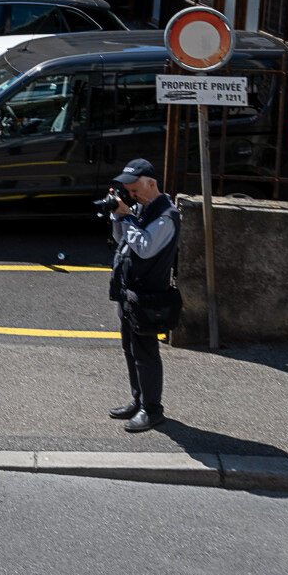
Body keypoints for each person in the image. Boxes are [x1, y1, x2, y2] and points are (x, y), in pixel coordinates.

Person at [107, 157, 182, 433]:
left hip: (149, 297)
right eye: (128, 190)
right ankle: (139, 400)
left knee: (146, 353)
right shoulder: (141, 207)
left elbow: (145, 248)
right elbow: (122, 239)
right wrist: (118, 214)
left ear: (151, 183)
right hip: (129, 292)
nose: (131, 194)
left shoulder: (167, 216)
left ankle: (152, 410)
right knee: (130, 349)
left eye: (134, 189)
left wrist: (127, 217)